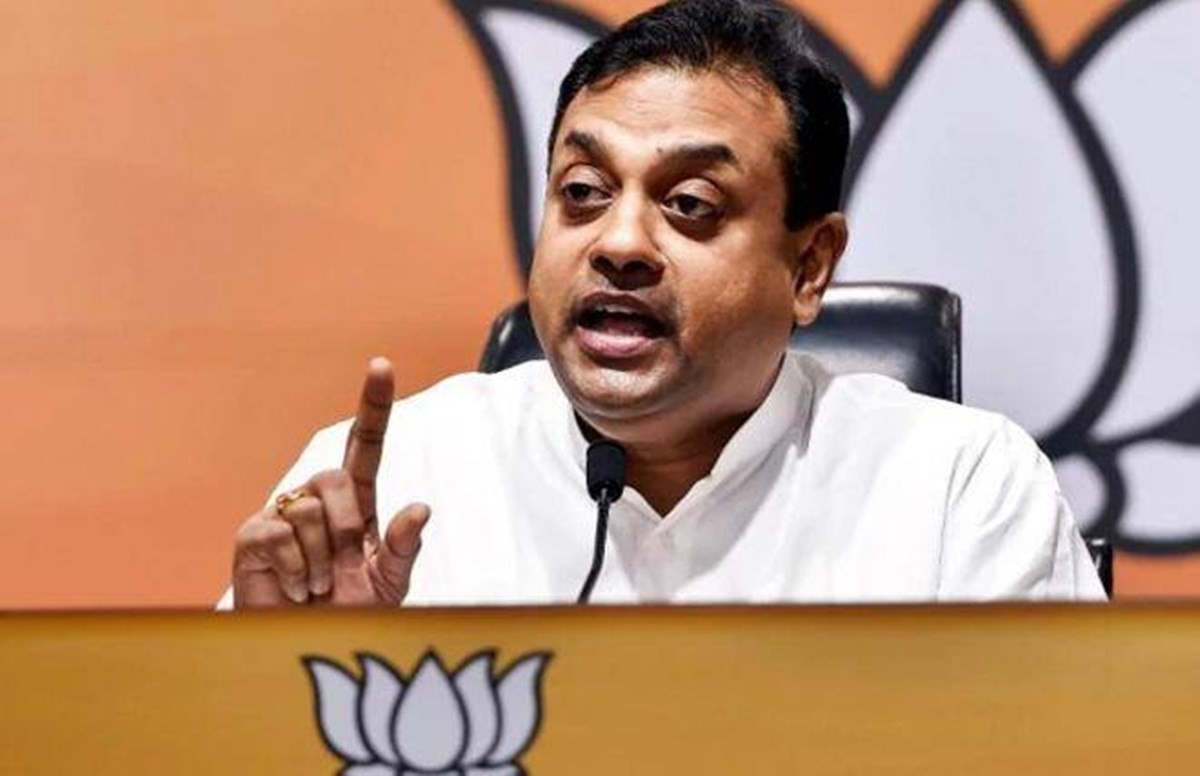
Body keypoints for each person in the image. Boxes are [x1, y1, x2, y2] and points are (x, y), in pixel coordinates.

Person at [225, 0, 1105, 609]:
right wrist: (300, 686)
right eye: (582, 191)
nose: (619, 243)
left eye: (690, 204)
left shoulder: (957, 491)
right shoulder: (394, 480)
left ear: (809, 267)